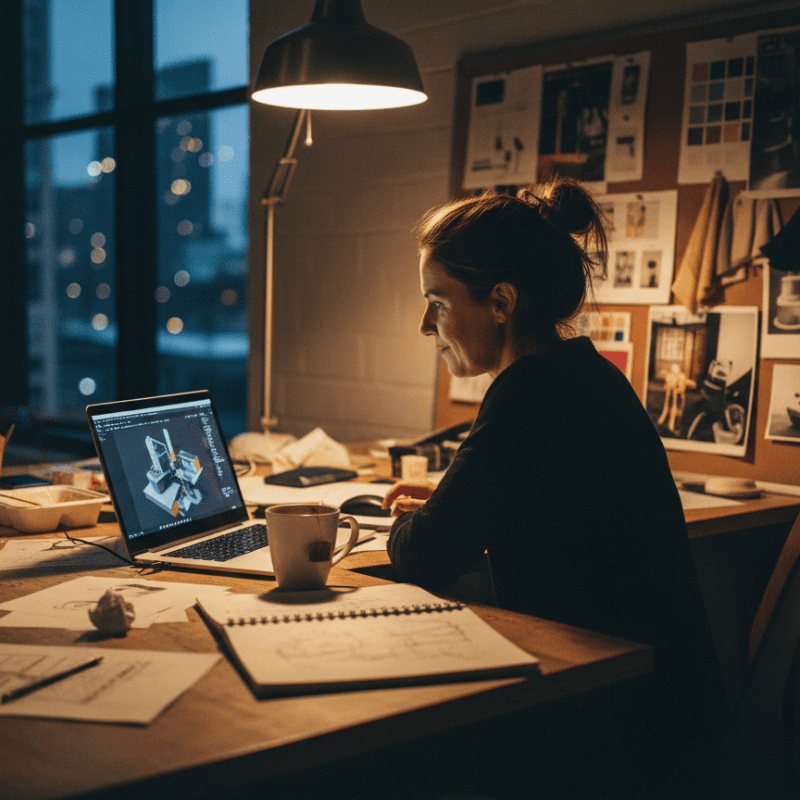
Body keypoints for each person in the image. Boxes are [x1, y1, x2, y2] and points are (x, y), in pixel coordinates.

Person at [383, 179, 726, 798]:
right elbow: (531, 508)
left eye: (436, 300)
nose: (423, 324)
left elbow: (422, 556)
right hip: (663, 700)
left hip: (615, 729)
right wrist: (450, 510)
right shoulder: (586, 374)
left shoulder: (526, 395)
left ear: (501, 301)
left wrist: (419, 522)